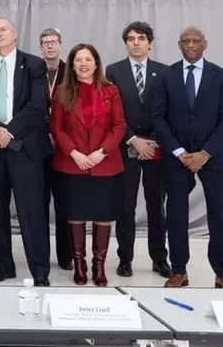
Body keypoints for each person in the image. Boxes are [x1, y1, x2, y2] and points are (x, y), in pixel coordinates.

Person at [153, 26, 223, 289]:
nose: (190, 45)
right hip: (177, 157)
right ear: (179, 45)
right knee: (176, 213)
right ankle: (178, 270)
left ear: (205, 44)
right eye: (185, 41)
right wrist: (179, 152)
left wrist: (205, 153)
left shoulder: (220, 76)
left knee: (218, 214)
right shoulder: (166, 76)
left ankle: (222, 272)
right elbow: (158, 118)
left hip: (211, 156)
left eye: (195, 41)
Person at [0, 16, 52, 286]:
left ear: (15, 33)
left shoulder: (34, 64)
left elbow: (37, 105)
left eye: (3, 30)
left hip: (24, 148)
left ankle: (39, 269)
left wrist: (7, 132)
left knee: (31, 211)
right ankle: (4, 264)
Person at [50, 44, 126, 286]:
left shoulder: (111, 90)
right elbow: (56, 127)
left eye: (88, 59)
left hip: (105, 164)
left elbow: (119, 125)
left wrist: (101, 152)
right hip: (72, 164)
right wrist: (74, 152)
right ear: (72, 65)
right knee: (76, 215)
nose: (83, 64)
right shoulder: (62, 91)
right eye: (78, 60)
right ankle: (80, 266)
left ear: (96, 63)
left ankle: (99, 266)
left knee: (104, 215)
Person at [105, 21, 170, 279]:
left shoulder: (164, 71)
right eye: (130, 38)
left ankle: (159, 258)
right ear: (125, 43)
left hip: (155, 149)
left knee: (156, 206)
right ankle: (125, 259)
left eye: (141, 38)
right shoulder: (113, 71)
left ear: (150, 43)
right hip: (126, 147)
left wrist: (151, 141)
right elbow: (112, 111)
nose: (136, 42)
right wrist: (133, 139)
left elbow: (166, 110)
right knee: (125, 206)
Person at [39, 28, 72, 271]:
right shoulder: (33, 70)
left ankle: (65, 256)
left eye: (53, 42)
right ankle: (41, 255)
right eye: (45, 43)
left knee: (64, 203)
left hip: (64, 146)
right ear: (40, 47)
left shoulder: (71, 72)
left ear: (60, 45)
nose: (50, 46)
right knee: (39, 204)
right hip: (39, 146)